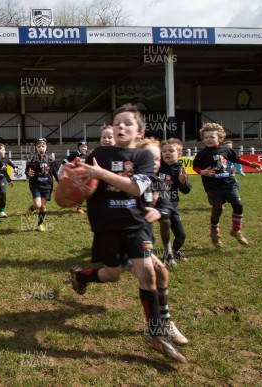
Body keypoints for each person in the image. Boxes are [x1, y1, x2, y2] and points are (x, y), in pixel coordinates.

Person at [68, 104, 186, 363]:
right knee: (112, 274)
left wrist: (101, 173)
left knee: (148, 275)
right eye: (117, 122)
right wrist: (71, 179)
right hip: (106, 227)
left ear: (140, 132)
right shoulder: (98, 152)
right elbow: (79, 181)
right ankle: (82, 276)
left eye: (128, 123)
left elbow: (135, 189)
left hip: (135, 226)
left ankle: (154, 334)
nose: (121, 127)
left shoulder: (142, 157)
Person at [136, 138, 189, 346]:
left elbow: (167, 206)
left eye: (157, 158)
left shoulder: (158, 182)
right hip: (126, 239)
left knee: (159, 273)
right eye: (150, 158)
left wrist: (158, 211)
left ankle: (160, 327)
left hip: (143, 239)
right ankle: (158, 330)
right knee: (114, 273)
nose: (156, 161)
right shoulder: (129, 181)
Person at [193, 123, 261, 247]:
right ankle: (215, 234)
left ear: (219, 138)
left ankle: (236, 230)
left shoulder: (226, 150)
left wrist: (249, 164)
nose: (208, 139)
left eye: (211, 137)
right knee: (217, 210)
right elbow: (195, 167)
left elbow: (236, 159)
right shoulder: (202, 154)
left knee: (238, 205)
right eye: (206, 137)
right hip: (213, 187)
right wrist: (202, 172)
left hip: (229, 184)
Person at [158, 138, 192, 266]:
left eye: (171, 151)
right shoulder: (157, 166)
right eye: (164, 151)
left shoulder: (180, 169)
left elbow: (186, 190)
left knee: (181, 236)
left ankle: (174, 251)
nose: (167, 153)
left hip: (171, 206)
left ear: (179, 153)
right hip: (154, 206)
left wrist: (183, 182)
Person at [25, 138, 59, 232]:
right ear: (36, 148)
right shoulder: (32, 159)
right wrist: (29, 173)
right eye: (39, 146)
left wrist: (59, 182)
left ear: (46, 147)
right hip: (36, 185)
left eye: (43, 146)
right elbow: (26, 171)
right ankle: (30, 210)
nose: (41, 148)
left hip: (47, 186)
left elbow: (55, 172)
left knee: (43, 207)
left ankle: (39, 225)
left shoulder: (50, 159)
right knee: (38, 204)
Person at [63, 141, 89, 214]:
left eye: (84, 147)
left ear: (87, 148)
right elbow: (64, 162)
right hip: (76, 177)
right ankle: (78, 207)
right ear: (78, 147)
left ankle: (80, 207)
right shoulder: (75, 155)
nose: (83, 148)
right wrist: (70, 168)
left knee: (85, 192)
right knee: (81, 192)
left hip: (85, 176)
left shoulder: (87, 156)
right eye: (81, 146)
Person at [0, 143, 15, 218]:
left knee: (2, 192)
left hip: (2, 178)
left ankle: (2, 211)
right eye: (3, 150)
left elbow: (8, 165)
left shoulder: (5, 159)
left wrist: (9, 180)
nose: (5, 151)